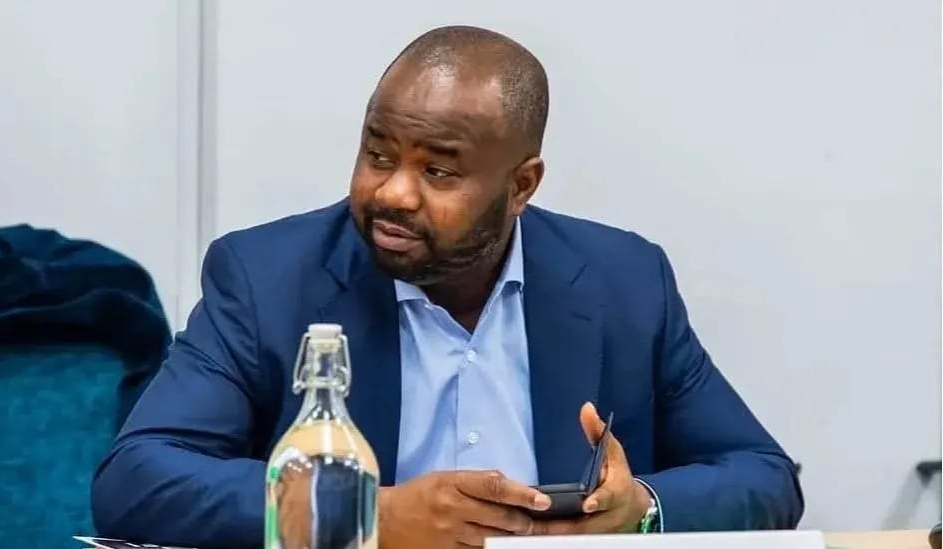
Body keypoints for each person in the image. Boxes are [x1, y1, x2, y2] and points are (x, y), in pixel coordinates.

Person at [91, 25, 803, 548]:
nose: (393, 193)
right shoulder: (267, 277)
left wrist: (638, 508)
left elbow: (765, 475)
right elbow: (137, 478)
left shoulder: (624, 280)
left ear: (521, 185)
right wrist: (371, 515)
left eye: (438, 171)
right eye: (378, 154)